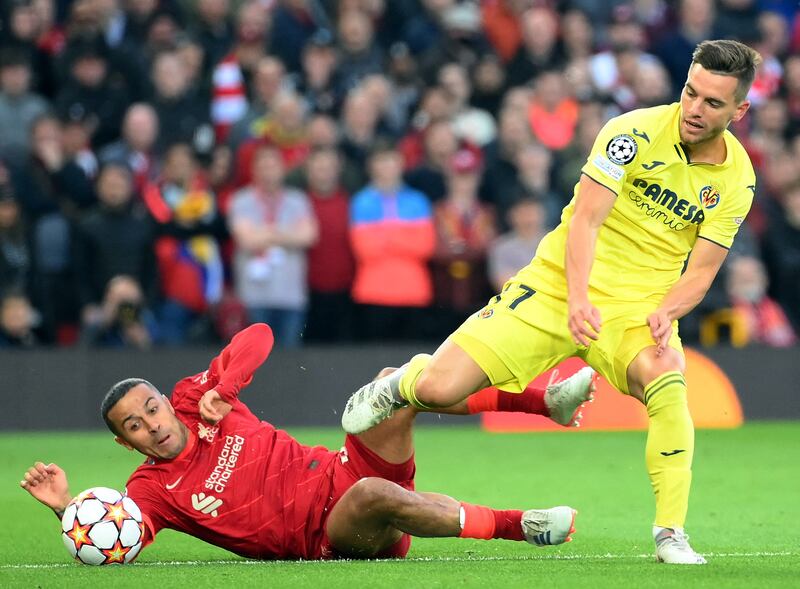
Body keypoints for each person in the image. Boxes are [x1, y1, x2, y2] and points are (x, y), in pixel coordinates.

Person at [341, 40, 762, 566]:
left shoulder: (737, 179)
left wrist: (669, 309)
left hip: (636, 309)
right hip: (558, 285)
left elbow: (701, 271)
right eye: (690, 93)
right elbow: (585, 220)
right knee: (437, 387)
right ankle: (398, 382)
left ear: (740, 110)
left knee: (668, 380)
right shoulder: (630, 133)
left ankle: (670, 534)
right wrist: (579, 299)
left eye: (713, 103)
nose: (694, 110)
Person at [19, 323, 596, 561]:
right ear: (127, 444)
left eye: (151, 407)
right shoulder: (150, 490)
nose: (153, 423)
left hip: (344, 467)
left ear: (166, 401)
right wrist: (68, 510)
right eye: (135, 426)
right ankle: (520, 525)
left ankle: (545, 403)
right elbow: (118, 542)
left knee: (402, 381)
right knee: (373, 493)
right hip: (330, 532)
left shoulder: (199, 400)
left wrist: (227, 384)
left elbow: (259, 336)